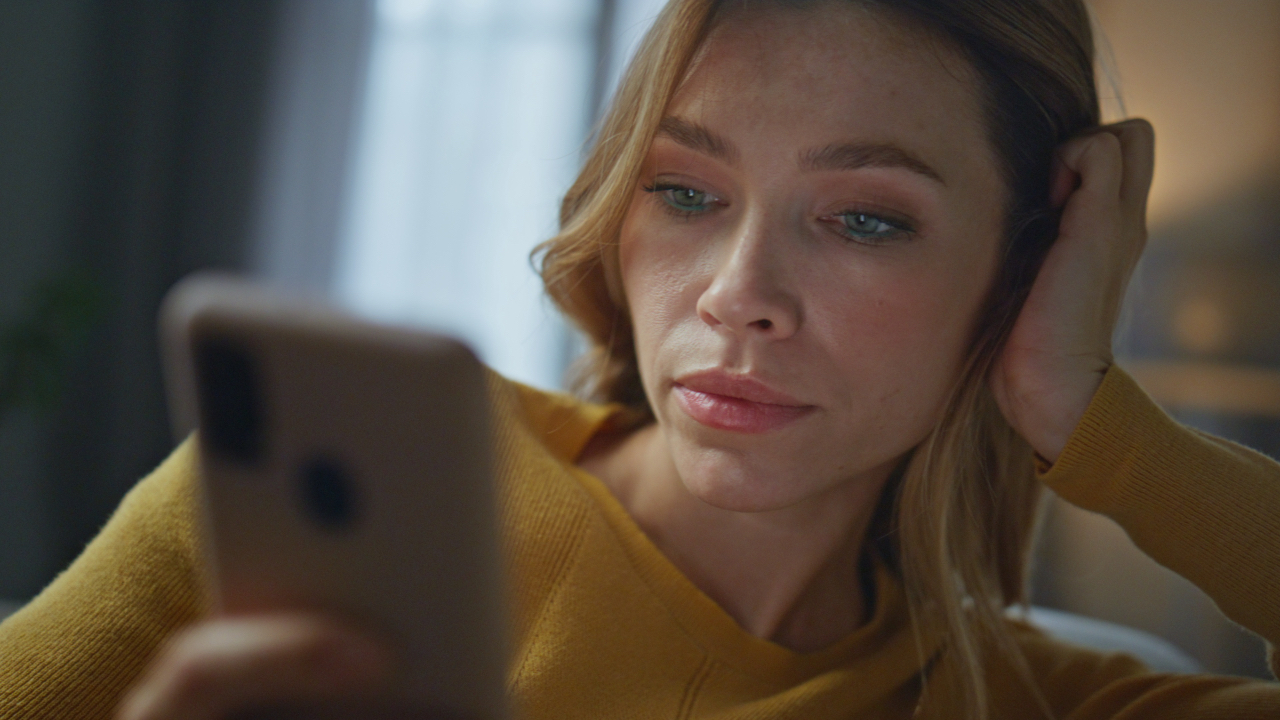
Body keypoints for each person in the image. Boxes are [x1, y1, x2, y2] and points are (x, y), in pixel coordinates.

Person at [1, 0, 1278, 718]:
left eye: (863, 219)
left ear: (1022, 268)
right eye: (684, 193)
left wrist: (1091, 419)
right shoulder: (326, 506)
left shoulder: (1019, 703)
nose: (736, 296)